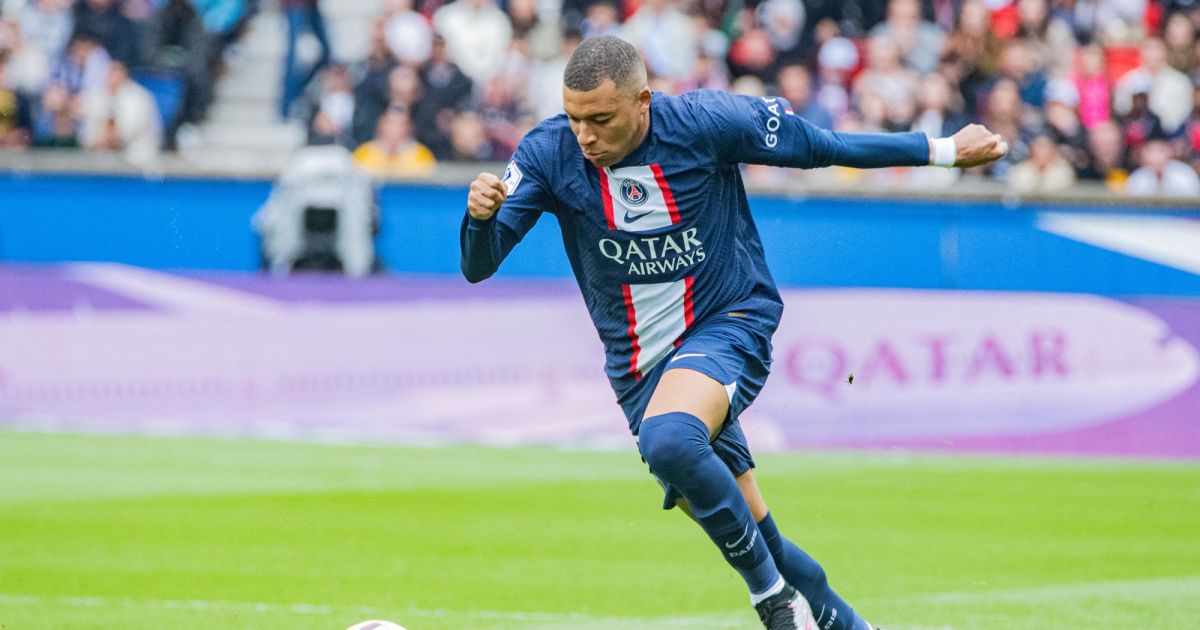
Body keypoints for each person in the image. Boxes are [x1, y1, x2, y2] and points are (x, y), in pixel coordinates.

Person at [459, 36, 1006, 630]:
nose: (584, 135)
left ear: (643, 100)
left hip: (729, 319)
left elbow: (822, 146)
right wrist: (479, 217)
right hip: (641, 368)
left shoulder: (706, 122)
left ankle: (774, 605)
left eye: (600, 119)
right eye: (574, 119)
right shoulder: (547, 154)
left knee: (668, 440)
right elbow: (478, 263)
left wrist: (944, 150)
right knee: (756, 527)